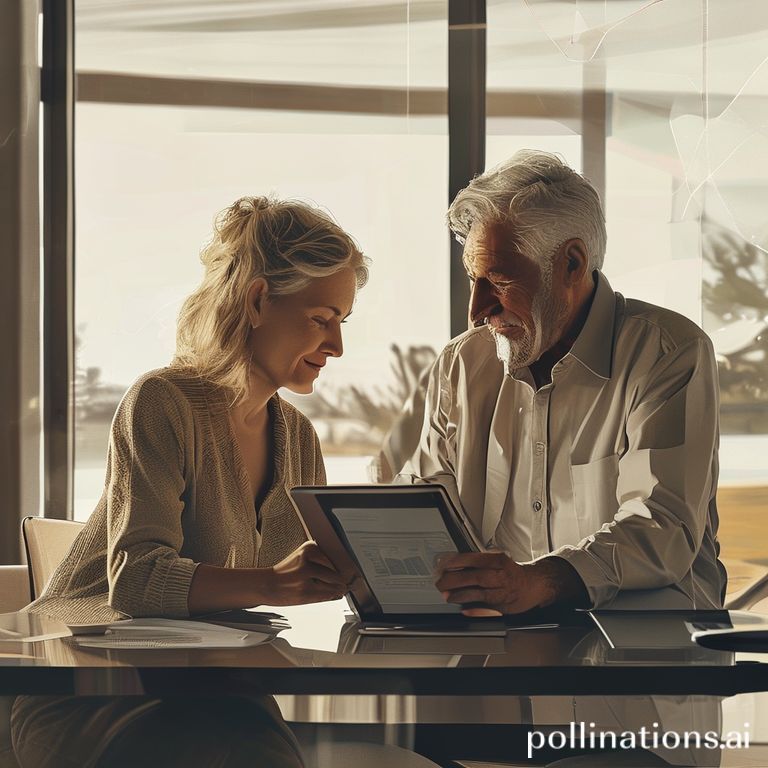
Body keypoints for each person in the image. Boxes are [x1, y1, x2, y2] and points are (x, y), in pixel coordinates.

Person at [11, 197, 439, 768]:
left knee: (246, 737)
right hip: (92, 688)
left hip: (216, 690)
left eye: (341, 323)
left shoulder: (300, 437)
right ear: (259, 299)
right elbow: (136, 582)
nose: (337, 346)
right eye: (321, 319)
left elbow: (298, 587)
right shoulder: (162, 403)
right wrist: (275, 583)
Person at [398, 150, 726, 615]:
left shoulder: (668, 352)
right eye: (474, 279)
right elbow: (425, 507)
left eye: (498, 280)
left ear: (572, 263)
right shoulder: (462, 364)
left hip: (646, 657)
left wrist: (538, 584)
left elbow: (662, 527)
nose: (476, 309)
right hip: (501, 652)